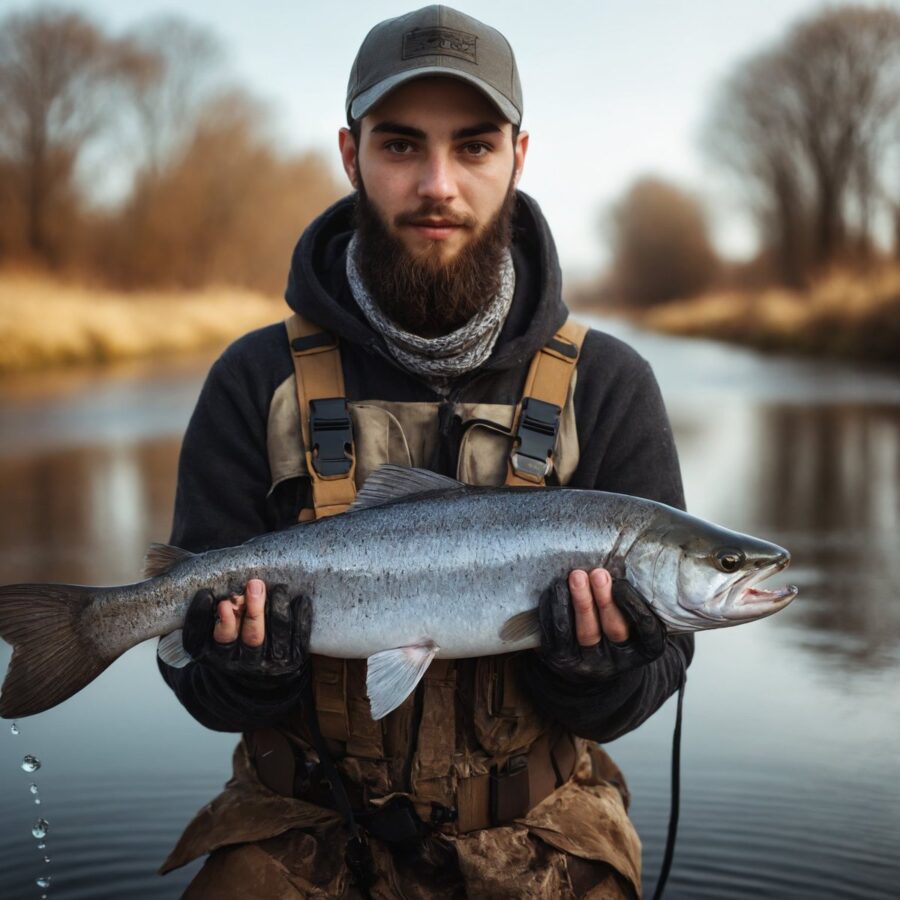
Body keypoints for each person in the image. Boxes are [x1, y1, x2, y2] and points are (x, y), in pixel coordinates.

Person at [158, 6, 693, 897]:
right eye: (402, 145)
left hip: (543, 827)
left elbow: (652, 682)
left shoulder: (609, 384)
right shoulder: (254, 379)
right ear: (350, 153)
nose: (437, 183)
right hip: (298, 823)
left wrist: (595, 674)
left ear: (519, 156)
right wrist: (245, 676)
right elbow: (200, 690)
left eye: (474, 147)